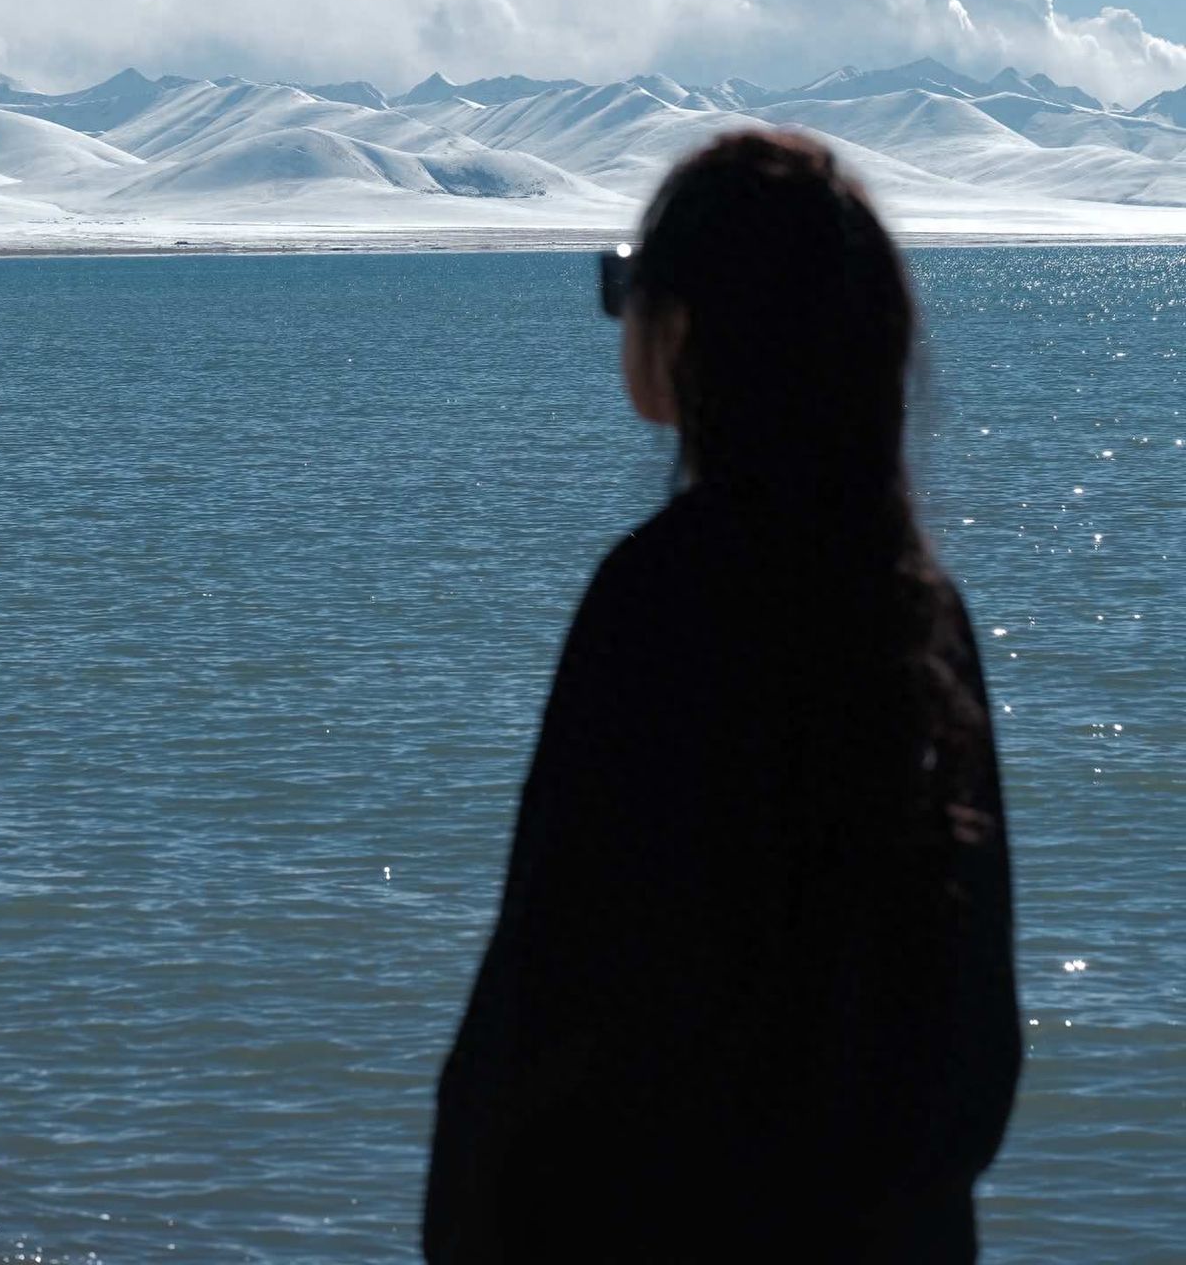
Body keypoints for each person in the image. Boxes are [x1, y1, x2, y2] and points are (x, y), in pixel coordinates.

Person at [423, 130, 1021, 1263]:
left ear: (691, 329)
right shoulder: (918, 608)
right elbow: (970, 1043)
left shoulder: (659, 596)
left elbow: (548, 1004)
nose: (619, 314)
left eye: (627, 286)